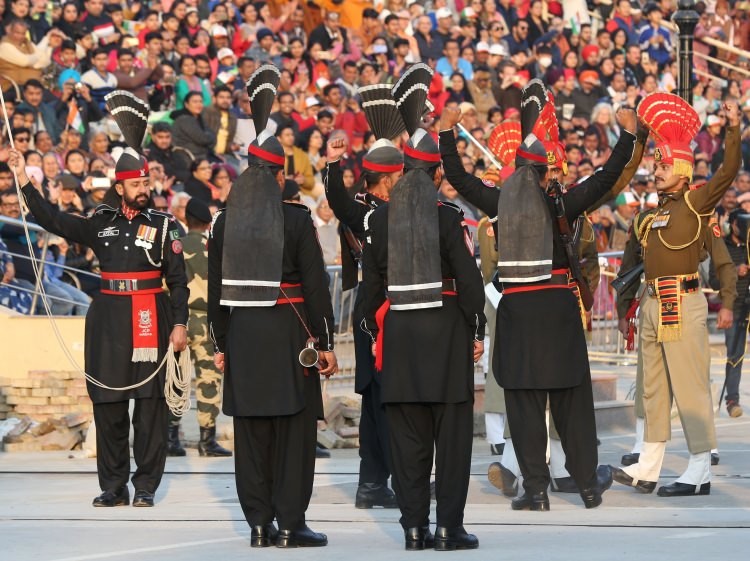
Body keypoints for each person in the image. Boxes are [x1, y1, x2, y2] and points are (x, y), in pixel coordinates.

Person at [439, 81, 638, 511]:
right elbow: (604, 181)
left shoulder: (498, 202)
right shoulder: (560, 205)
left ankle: (534, 490)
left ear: (514, 171)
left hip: (517, 313)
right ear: (545, 173)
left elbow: (456, 177)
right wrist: (627, 135)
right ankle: (587, 485)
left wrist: (446, 133)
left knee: (524, 404)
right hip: (558, 311)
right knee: (573, 402)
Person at [9, 100, 188, 507]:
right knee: (108, 405)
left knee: (149, 409)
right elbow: (52, 220)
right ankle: (113, 486)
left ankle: (145, 487)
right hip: (107, 320)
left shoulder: (163, 226)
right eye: (137, 185)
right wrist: (23, 178)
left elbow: (178, 283)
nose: (145, 190)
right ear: (121, 186)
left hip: (150, 317)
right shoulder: (100, 221)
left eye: (148, 184)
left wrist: (178, 325)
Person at [207, 65, 336, 548]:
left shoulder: (222, 225)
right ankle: (290, 523)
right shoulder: (297, 220)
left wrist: (222, 344)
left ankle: (258, 524)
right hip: (289, 333)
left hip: (242, 333)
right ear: (279, 174)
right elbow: (318, 287)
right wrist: (322, 342)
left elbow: (216, 293)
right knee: (294, 433)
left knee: (252, 436)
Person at [361, 64, 485, 551]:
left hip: (400, 345)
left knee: (408, 446)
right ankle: (449, 529)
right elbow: (471, 284)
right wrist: (477, 330)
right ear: (434, 173)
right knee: (450, 447)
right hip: (446, 339)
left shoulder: (380, 219)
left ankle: (414, 529)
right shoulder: (447, 216)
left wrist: (373, 341)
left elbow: (368, 293)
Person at [610, 97, 741, 497]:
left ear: (682, 172)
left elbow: (728, 172)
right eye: (657, 164)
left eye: (664, 166)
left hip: (683, 303)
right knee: (652, 389)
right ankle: (647, 467)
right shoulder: (650, 215)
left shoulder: (696, 203)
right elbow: (632, 266)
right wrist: (624, 309)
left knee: (690, 389)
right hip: (652, 304)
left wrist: (734, 130)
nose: (657, 170)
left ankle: (699, 469)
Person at [323, 85, 403, 511]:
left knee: (383, 403)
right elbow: (337, 200)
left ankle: (377, 481)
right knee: (383, 403)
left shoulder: (377, 210)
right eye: (399, 179)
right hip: (378, 318)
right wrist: (334, 164)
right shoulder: (369, 211)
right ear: (386, 181)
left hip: (381, 315)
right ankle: (378, 480)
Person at [167, 197, 232, 458]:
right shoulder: (215, 246)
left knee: (177, 380)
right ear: (207, 222)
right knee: (208, 379)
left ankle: (172, 438)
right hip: (207, 322)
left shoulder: (175, 246)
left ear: (187, 220)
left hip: (179, 321)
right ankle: (207, 439)